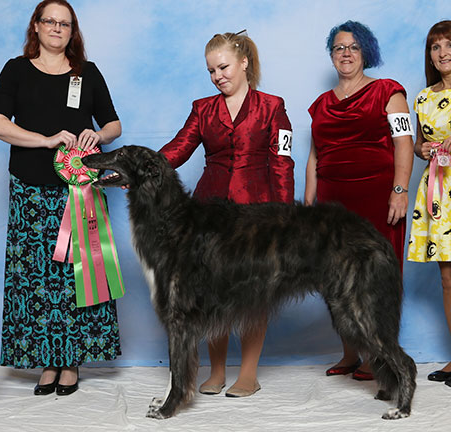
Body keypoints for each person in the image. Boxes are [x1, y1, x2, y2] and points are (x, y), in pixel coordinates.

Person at [0, 0, 122, 396]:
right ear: (37, 26)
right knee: (35, 280)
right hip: (29, 190)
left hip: (79, 191)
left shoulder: (88, 73)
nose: (57, 28)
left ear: (72, 30)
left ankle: (71, 361)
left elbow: (113, 123)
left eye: (65, 23)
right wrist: (45, 141)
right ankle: (47, 362)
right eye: (50, 21)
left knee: (76, 279)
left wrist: (98, 135)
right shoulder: (15, 70)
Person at [159, 31, 294, 397]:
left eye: (223, 67)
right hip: (210, 214)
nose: (218, 76)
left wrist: (284, 217)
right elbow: (178, 148)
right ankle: (216, 371)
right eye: (211, 71)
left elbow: (282, 163)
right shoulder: (202, 109)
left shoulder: (273, 106)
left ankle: (248, 373)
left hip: (257, 215)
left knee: (255, 292)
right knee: (208, 292)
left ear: (244, 63)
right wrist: (145, 169)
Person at [305, 21, 414, 381]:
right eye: (339, 48)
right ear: (331, 55)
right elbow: (314, 157)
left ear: (366, 51)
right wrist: (308, 205)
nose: (346, 53)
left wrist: (400, 190)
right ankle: (350, 352)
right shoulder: (319, 105)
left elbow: (403, 143)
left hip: (378, 200)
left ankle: (377, 356)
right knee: (336, 280)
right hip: (333, 205)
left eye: (353, 47)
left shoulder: (389, 91)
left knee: (376, 279)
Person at [407, 20, 451, 386]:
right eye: (435, 47)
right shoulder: (423, 97)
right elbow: (421, 144)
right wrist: (422, 149)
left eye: (449, 44)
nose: (443, 52)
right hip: (438, 190)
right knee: (448, 278)